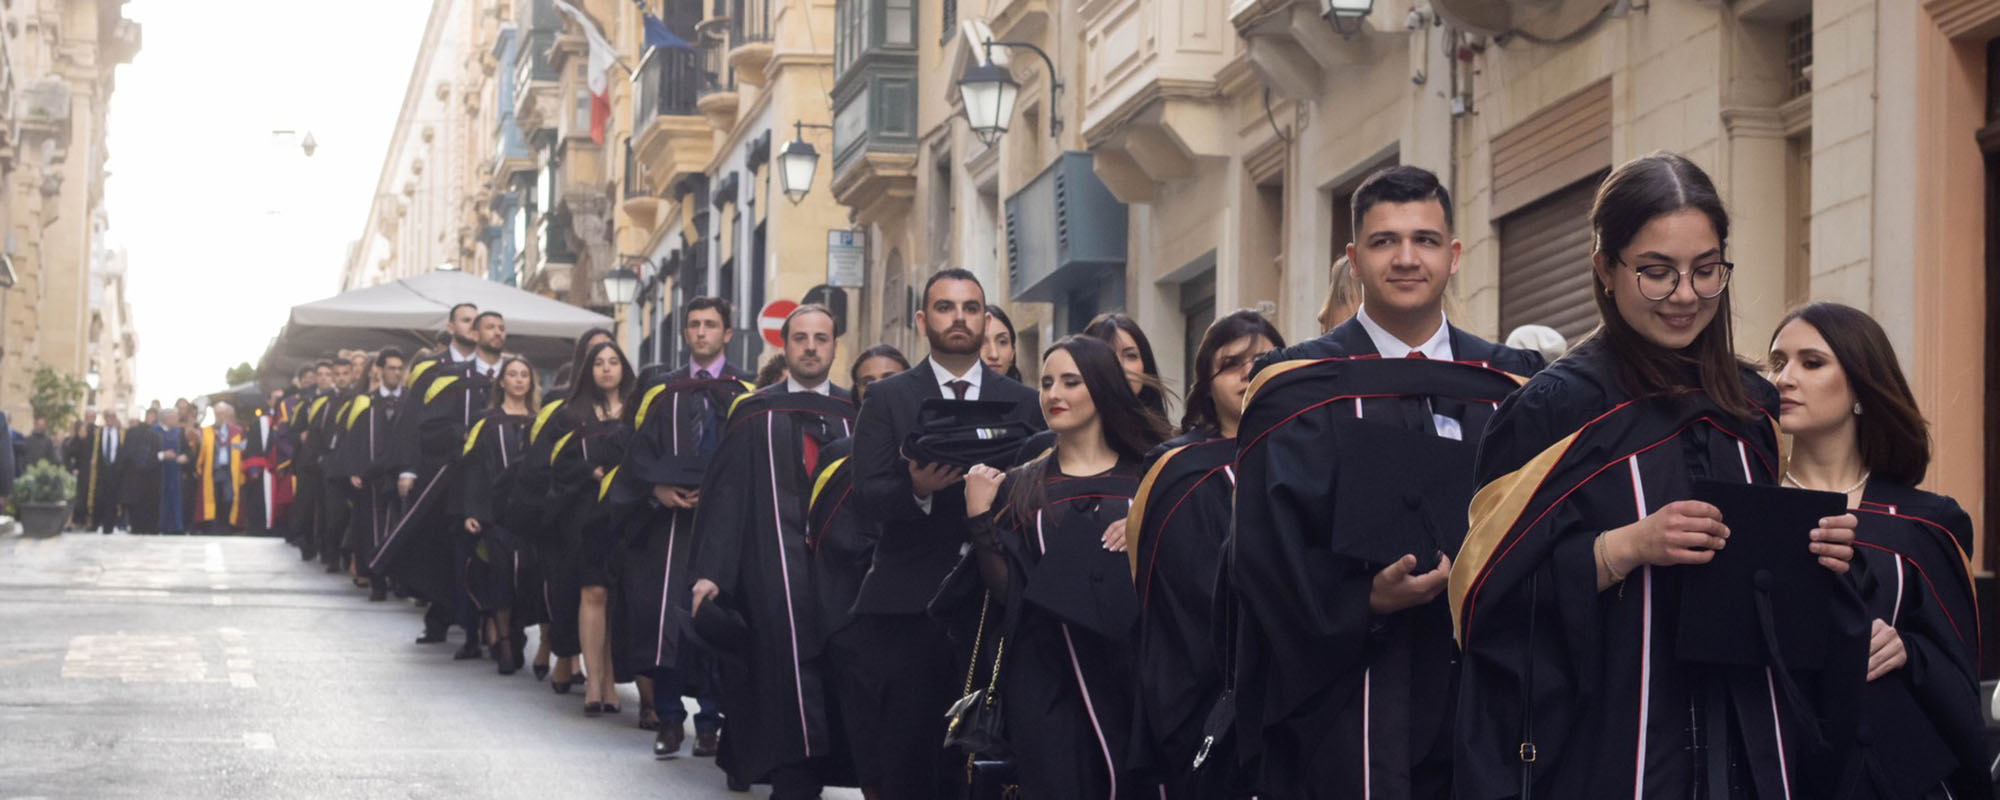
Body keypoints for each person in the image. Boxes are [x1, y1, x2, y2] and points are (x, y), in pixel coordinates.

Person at [1451, 153, 1866, 797]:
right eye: (1656, 273)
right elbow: (1483, 598)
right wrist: (1623, 548)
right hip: (1607, 748)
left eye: (1706, 271)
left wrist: (1816, 561)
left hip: (1743, 748)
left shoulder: (1751, 407)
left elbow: (1768, 602)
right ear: (1604, 270)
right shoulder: (1553, 408)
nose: (1685, 296)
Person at [1229, 164, 1547, 798]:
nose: (1406, 259)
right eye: (1384, 242)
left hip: (1481, 697)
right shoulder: (1296, 387)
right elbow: (1262, 555)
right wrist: (1362, 599)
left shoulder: (1511, 385)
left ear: (1454, 255)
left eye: (1425, 240)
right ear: (1353, 258)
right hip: (1348, 703)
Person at [1768, 302, 1986, 798]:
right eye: (1778, 362)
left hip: (1897, 776)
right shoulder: (1753, 508)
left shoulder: (1927, 522)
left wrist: (1909, 649)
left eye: (1812, 362)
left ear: (1862, 389)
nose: (1785, 378)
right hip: (1785, 773)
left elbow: (1958, 671)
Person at [847, 268, 1043, 799]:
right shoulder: (887, 398)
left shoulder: (1022, 402)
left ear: (984, 318)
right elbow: (865, 497)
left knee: (987, 756)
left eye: (971, 308)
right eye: (945, 307)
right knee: (907, 754)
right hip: (909, 608)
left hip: (994, 601)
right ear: (922, 320)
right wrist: (916, 489)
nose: (959, 318)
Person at [962, 335, 1172, 798]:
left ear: (1100, 387)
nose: (1054, 394)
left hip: (1132, 676)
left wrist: (1144, 532)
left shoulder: (1151, 477)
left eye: (1071, 382)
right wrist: (979, 518)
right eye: (1047, 382)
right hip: (1046, 679)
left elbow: (1181, 577)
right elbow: (1005, 592)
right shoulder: (1021, 484)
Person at [687, 304, 858, 797]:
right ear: (784, 346)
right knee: (778, 675)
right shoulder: (754, 411)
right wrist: (711, 573)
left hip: (839, 576)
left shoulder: (855, 414)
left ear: (833, 346)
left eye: (820, 338)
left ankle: (823, 769)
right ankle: (791, 780)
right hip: (769, 570)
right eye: (800, 337)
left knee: (831, 675)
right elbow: (726, 497)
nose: (810, 346)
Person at [1127, 310, 1282, 797]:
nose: (1248, 372)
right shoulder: (1177, 468)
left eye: (1262, 359)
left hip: (1295, 679)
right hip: (1203, 681)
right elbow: (1178, 592)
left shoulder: (1307, 448)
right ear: (1206, 385)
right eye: (1231, 363)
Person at [618, 297, 747, 759]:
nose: (701, 332)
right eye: (694, 325)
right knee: (668, 624)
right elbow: (635, 456)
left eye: (711, 324)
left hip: (723, 531)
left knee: (714, 620)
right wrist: (658, 493)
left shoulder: (745, 392)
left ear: (727, 334)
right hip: (668, 530)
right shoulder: (661, 393)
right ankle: (671, 720)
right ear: (685, 334)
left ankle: (711, 723)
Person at [374, 304, 497, 651]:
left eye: (478, 321)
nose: (473, 326)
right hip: (438, 471)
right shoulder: (433, 369)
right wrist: (408, 468)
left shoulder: (490, 371)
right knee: (436, 542)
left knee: (475, 546)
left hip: (479, 472)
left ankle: (479, 618)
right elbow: (412, 421)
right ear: (451, 326)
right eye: (466, 320)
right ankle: (439, 616)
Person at [512, 327, 612, 689]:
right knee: (563, 587)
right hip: (564, 510)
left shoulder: (627, 404)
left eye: (608, 351)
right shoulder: (559, 402)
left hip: (608, 515)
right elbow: (539, 461)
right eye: (595, 351)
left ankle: (597, 673)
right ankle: (559, 653)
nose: (603, 361)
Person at [547, 340, 636, 714]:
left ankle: (612, 681)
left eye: (613, 361)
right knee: (592, 594)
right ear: (588, 369)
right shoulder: (571, 414)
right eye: (598, 362)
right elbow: (554, 466)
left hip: (625, 517)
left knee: (617, 599)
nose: (606, 368)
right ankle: (594, 683)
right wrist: (590, 470)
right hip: (584, 518)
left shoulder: (637, 412)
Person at [459, 354, 541, 675]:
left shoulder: (540, 421)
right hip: (496, 514)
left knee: (527, 578)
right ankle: (505, 639)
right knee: (501, 576)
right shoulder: (486, 421)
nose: (519, 379)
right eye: (513, 374)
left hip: (530, 516)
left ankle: (517, 631)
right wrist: (471, 510)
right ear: (502, 381)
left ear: (531, 382)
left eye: (525, 374)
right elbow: (472, 469)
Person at [332, 348, 407, 600]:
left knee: (398, 525)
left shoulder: (409, 402)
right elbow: (352, 439)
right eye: (391, 368)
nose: (395, 372)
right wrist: (353, 470)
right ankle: (377, 579)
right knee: (373, 529)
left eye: (399, 368)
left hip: (400, 476)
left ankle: (397, 577)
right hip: (371, 477)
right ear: (380, 370)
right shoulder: (367, 402)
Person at [1082, 312, 1169, 419]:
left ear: (1145, 365)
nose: (1119, 366)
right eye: (1107, 356)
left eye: (1130, 356)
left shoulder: (1170, 435)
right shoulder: (1066, 431)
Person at [194, 403, 246, 532]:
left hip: (230, 471)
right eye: (217, 414)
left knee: (229, 498)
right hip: (212, 471)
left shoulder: (237, 432)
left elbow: (242, 450)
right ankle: (213, 526)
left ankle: (226, 524)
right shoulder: (206, 431)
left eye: (223, 414)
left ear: (229, 415)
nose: (220, 417)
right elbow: (198, 452)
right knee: (213, 498)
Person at [119, 408, 165, 534]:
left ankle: (147, 528)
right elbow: (128, 454)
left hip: (151, 478)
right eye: (150, 415)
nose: (152, 418)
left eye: (154, 416)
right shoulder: (134, 432)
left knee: (148, 505)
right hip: (136, 476)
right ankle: (137, 527)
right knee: (137, 506)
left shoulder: (157, 434)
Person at [85, 411, 126, 533]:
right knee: (98, 497)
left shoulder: (121, 433)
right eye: (108, 417)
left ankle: (109, 526)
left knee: (112, 499)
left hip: (115, 470)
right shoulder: (98, 432)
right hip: (101, 470)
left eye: (112, 417)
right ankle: (95, 524)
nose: (110, 419)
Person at [155, 408, 189, 534]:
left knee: (176, 497)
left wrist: (185, 457)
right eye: (174, 417)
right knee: (161, 497)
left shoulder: (179, 433)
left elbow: (188, 451)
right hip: (160, 472)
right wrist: (163, 455)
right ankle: (161, 525)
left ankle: (177, 526)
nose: (177, 420)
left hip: (176, 472)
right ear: (166, 418)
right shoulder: (154, 432)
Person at [983, 305, 1022, 381]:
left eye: (1002, 342)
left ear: (1013, 352)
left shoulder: (1028, 393)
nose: (994, 355)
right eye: (981, 343)